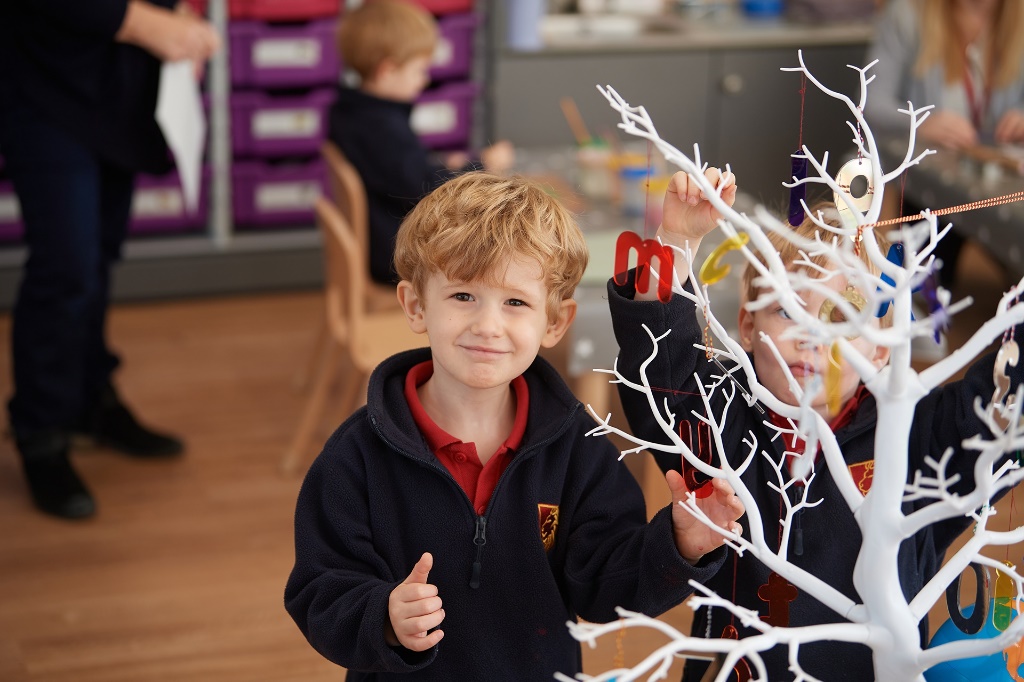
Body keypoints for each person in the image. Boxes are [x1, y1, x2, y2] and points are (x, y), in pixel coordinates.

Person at [283, 172, 745, 681]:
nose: (487, 325)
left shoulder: (579, 448)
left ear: (555, 323)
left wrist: (678, 546)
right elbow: (319, 590)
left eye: (515, 303)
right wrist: (384, 616)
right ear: (416, 306)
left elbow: (605, 586)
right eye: (463, 296)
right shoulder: (355, 455)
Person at [606, 169, 1024, 680]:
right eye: (786, 308)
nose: (811, 337)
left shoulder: (915, 433)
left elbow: (1000, 404)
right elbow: (662, 369)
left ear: (879, 342)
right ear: (748, 324)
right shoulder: (717, 413)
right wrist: (677, 241)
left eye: (841, 318)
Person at [0, 1, 220, 519]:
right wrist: (151, 25)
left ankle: (89, 397)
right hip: (46, 78)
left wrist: (184, 22)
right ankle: (41, 431)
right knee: (66, 265)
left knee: (98, 255)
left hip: (122, 83)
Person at [329, 0, 515, 285]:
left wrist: (444, 164)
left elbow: (400, 171)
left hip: (381, 235)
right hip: (397, 252)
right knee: (496, 241)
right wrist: (481, 165)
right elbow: (425, 189)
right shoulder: (382, 127)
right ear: (387, 71)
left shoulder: (352, 110)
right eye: (419, 70)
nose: (424, 80)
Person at [864, 0, 1024, 286]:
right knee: (924, 287)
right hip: (931, 186)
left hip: (1003, 181)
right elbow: (871, 102)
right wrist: (920, 121)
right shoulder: (908, 14)